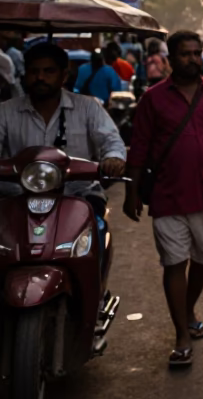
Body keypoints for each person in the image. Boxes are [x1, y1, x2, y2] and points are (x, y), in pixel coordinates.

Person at [125, 31, 203, 368]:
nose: (193, 59)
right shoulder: (153, 99)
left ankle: (189, 308)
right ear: (171, 58)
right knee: (174, 262)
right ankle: (181, 334)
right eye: (185, 54)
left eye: (197, 53)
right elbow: (138, 148)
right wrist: (132, 191)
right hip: (167, 194)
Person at [0, 42, 128, 278]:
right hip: (16, 196)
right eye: (34, 71)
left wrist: (113, 159)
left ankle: (93, 294)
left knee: (95, 233)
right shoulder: (6, 112)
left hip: (77, 193)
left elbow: (112, 141)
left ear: (63, 75)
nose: (40, 78)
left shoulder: (88, 108)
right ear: (25, 73)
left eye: (48, 71)